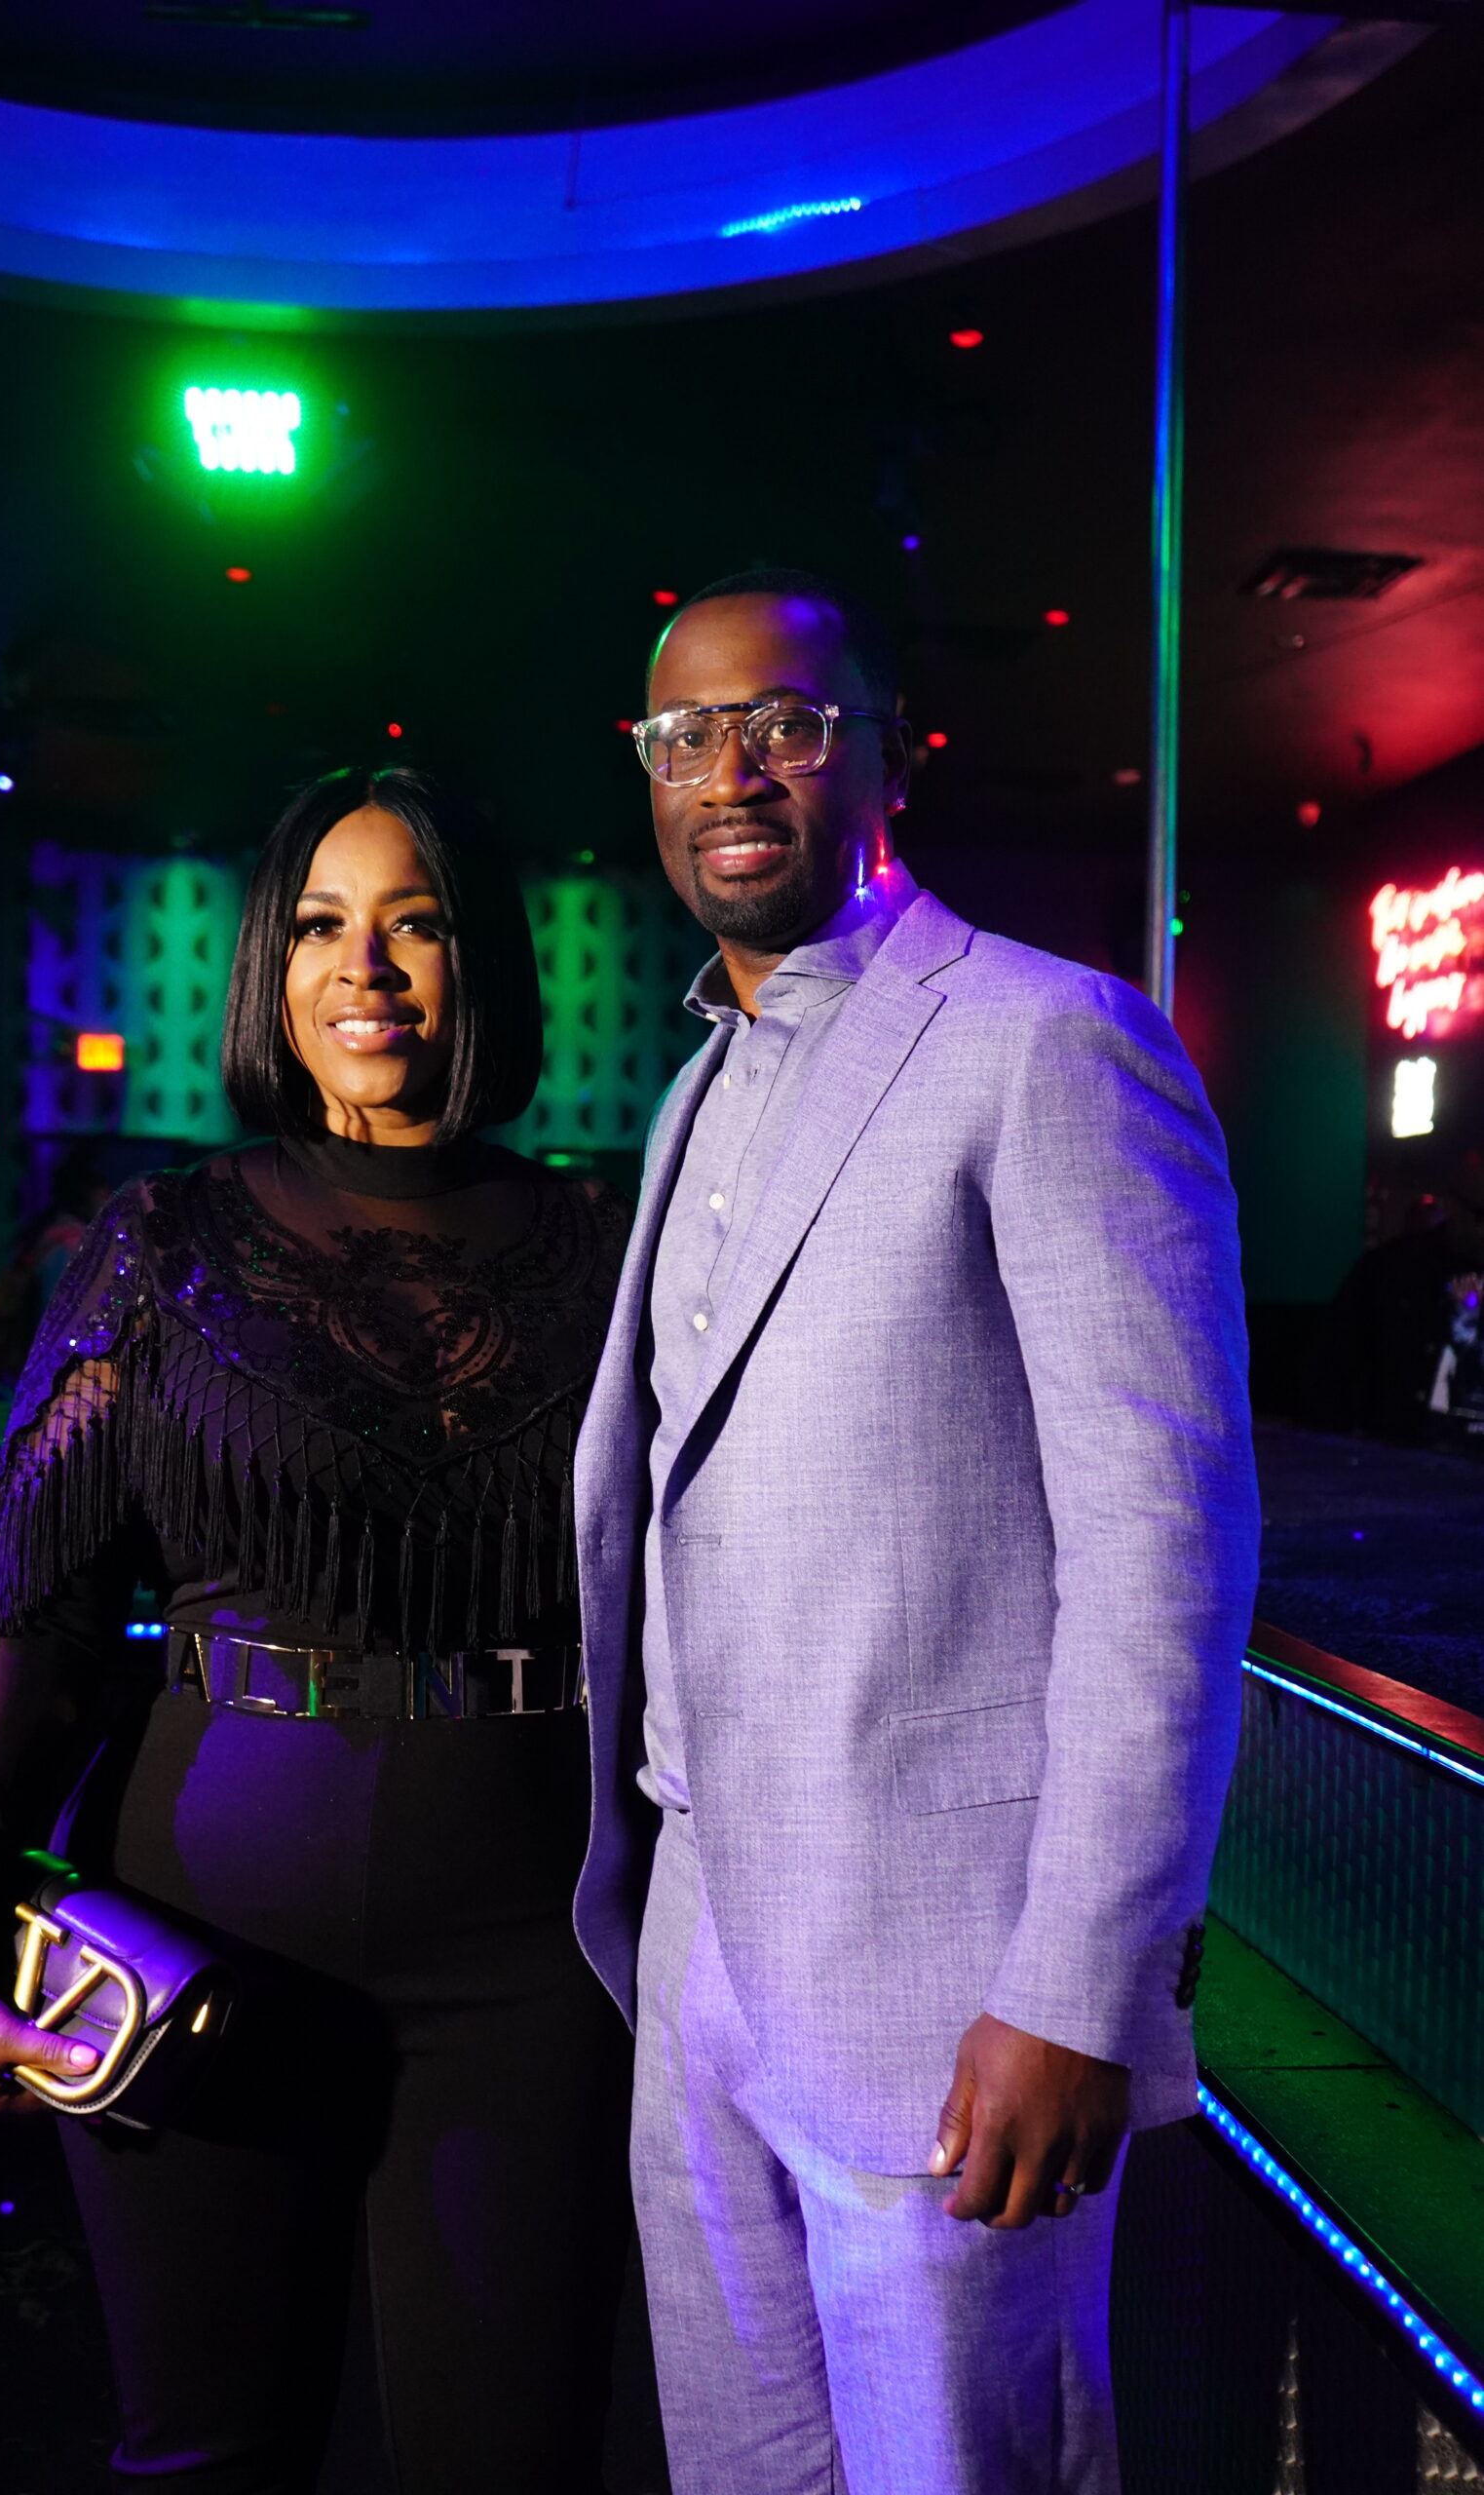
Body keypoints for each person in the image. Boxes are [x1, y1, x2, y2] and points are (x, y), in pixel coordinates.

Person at [571, 570, 1261, 2494]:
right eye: (685, 735)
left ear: (888, 753)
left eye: (783, 723)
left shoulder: (1051, 1041)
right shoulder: (688, 1091)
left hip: (946, 1977)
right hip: (693, 1935)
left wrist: (1077, 1988)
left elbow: (1161, 1556)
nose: (732, 770)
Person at [0, 766, 634, 2495]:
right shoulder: (160, 1240)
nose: (366, 968)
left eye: (416, 924)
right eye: (321, 925)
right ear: (271, 972)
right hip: (197, 1935)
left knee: (509, 2462)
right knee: (207, 2459)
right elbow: (37, 1607)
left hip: (531, 1952)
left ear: (482, 962)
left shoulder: (609, 1247)